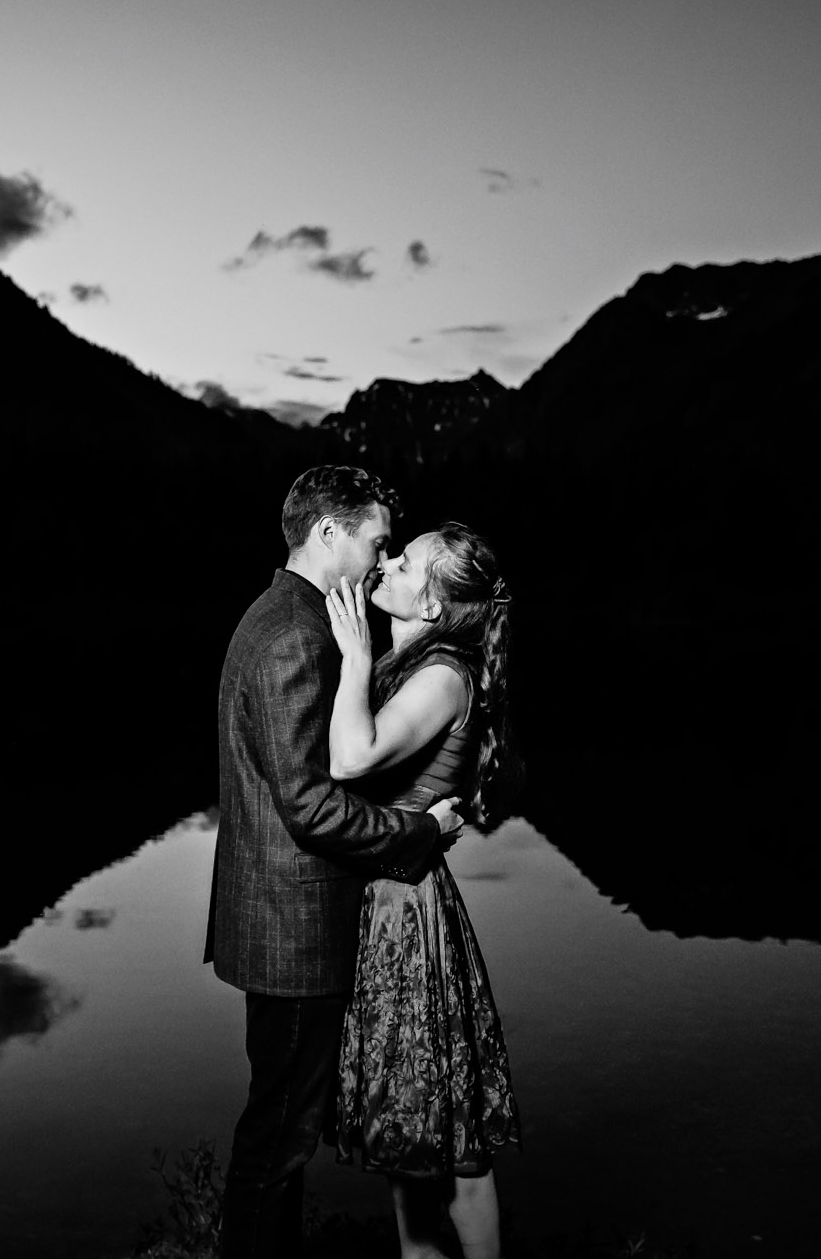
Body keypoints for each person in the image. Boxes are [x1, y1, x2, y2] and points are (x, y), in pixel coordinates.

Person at [207, 465, 467, 1259]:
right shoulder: (296, 633)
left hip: (280, 918)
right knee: (278, 1143)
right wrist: (418, 832)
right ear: (329, 534)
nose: (381, 559)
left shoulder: (284, 615)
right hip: (294, 930)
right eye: (377, 541)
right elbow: (310, 804)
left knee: (280, 1132)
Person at [321, 521, 520, 1259]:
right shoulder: (412, 666)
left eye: (405, 564)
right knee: (411, 1136)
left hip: (409, 916)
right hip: (386, 904)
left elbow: (352, 757)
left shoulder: (442, 674)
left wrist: (354, 655)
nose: (388, 562)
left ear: (432, 605)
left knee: (456, 1148)